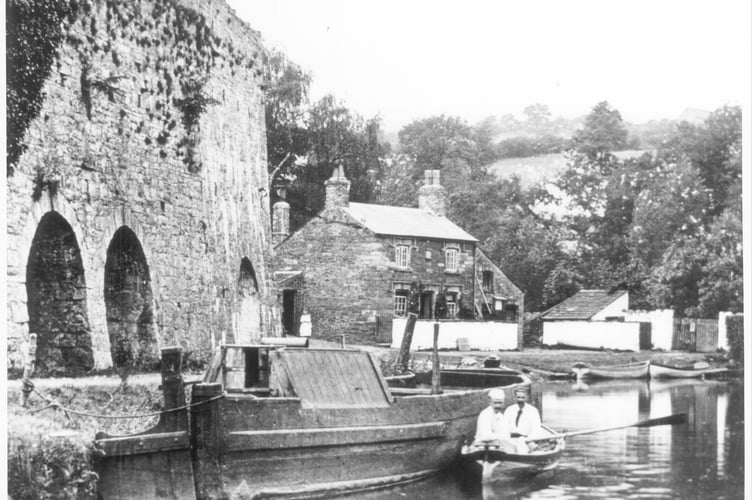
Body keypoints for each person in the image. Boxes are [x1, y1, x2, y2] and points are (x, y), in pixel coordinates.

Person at [503, 386, 543, 453]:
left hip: (525, 440)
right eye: (518, 397)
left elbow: (536, 429)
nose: (520, 400)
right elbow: (504, 427)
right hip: (510, 439)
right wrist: (507, 439)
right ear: (515, 398)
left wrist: (529, 441)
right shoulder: (509, 410)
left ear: (527, 397)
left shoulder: (533, 411)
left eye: (522, 397)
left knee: (521, 446)